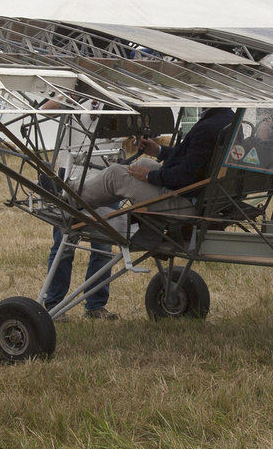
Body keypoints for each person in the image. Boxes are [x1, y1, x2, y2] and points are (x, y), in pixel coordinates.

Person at [39, 101, 118, 320]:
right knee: (64, 245)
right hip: (71, 176)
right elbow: (45, 110)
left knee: (103, 247)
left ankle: (95, 306)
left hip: (107, 177)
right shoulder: (75, 92)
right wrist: (71, 96)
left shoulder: (118, 97)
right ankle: (54, 305)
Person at [80, 107, 238, 217]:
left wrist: (150, 176)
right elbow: (196, 159)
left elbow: (184, 176)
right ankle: (86, 203)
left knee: (116, 173)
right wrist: (159, 151)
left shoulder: (208, 128)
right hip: (200, 194)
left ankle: (70, 196)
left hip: (186, 205)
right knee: (142, 163)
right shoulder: (228, 118)